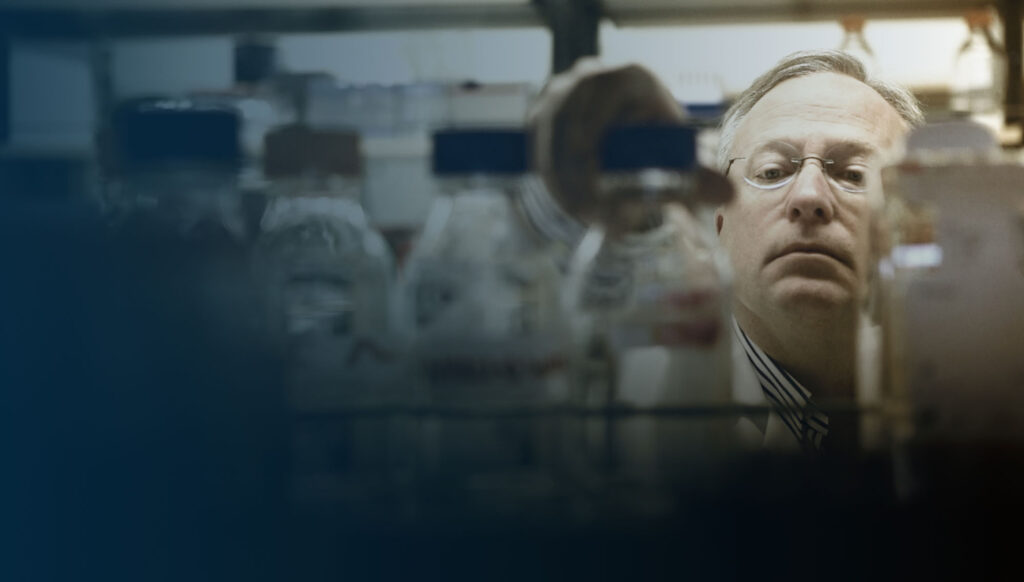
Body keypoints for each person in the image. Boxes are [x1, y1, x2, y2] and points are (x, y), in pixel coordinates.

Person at [530, 50, 924, 453]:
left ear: (914, 228)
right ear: (718, 221)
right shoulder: (638, 387)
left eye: (855, 174)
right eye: (772, 172)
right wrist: (550, 191)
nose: (808, 196)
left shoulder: (974, 383)